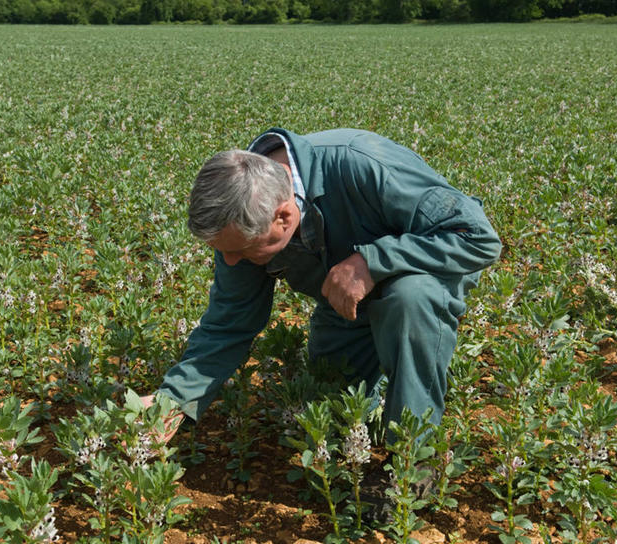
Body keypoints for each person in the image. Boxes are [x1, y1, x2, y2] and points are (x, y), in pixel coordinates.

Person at [142, 127, 501, 452]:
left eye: (240, 251)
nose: (231, 262)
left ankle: (409, 458)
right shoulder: (240, 224)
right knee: (331, 405)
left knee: (410, 297)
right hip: (344, 298)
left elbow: (478, 238)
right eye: (224, 251)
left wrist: (372, 262)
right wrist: (171, 402)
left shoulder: (362, 164)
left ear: (282, 218)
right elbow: (230, 323)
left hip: (427, 267)